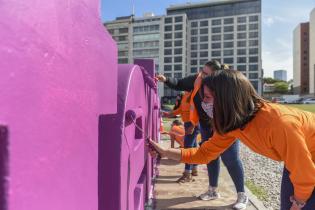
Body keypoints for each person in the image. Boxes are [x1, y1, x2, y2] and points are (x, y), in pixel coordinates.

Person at [150, 70, 315, 210]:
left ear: (227, 99)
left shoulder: (279, 124)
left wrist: (299, 203)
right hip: (301, 161)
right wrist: (165, 152)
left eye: (207, 97)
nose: (203, 103)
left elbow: (305, 176)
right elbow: (205, 153)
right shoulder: (233, 124)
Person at [156, 60, 248, 210]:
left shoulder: (224, 84)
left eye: (206, 73)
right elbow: (179, 83)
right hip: (206, 126)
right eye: (202, 71)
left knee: (230, 158)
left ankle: (242, 194)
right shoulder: (197, 79)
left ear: (216, 75)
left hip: (226, 125)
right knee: (210, 156)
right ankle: (212, 190)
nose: (201, 75)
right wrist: (165, 79)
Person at [164, 91, 199, 182]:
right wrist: (169, 114)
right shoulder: (186, 95)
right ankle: (194, 169)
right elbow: (181, 109)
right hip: (188, 124)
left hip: (192, 124)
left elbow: (199, 110)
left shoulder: (193, 94)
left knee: (187, 149)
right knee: (193, 147)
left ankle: (188, 173)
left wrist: (193, 125)